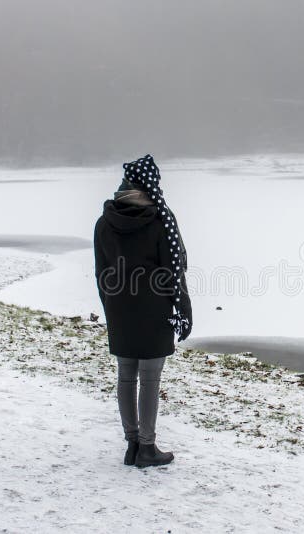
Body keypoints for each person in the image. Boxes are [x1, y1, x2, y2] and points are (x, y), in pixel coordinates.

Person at [94, 154, 193, 468]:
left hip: (120, 307)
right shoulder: (159, 219)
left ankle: (132, 444)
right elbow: (173, 270)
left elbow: (101, 272)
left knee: (126, 376)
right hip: (153, 306)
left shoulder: (104, 222)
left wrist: (110, 306)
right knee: (149, 378)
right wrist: (184, 309)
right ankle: (147, 448)